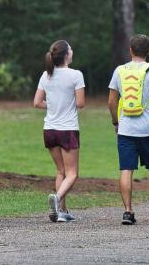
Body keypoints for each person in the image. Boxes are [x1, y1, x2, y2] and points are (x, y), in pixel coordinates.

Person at [107, 34, 149, 225]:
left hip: (126, 130)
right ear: (148, 51)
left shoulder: (119, 71)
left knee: (126, 169)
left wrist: (115, 122)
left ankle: (128, 212)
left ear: (131, 50)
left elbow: (112, 101)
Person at [33, 40, 85, 223]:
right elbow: (80, 103)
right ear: (66, 55)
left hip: (49, 129)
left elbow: (37, 102)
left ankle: (62, 211)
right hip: (67, 129)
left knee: (60, 171)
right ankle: (57, 199)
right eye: (71, 49)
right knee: (72, 173)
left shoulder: (45, 75)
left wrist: (53, 105)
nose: (72, 51)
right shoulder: (76, 75)